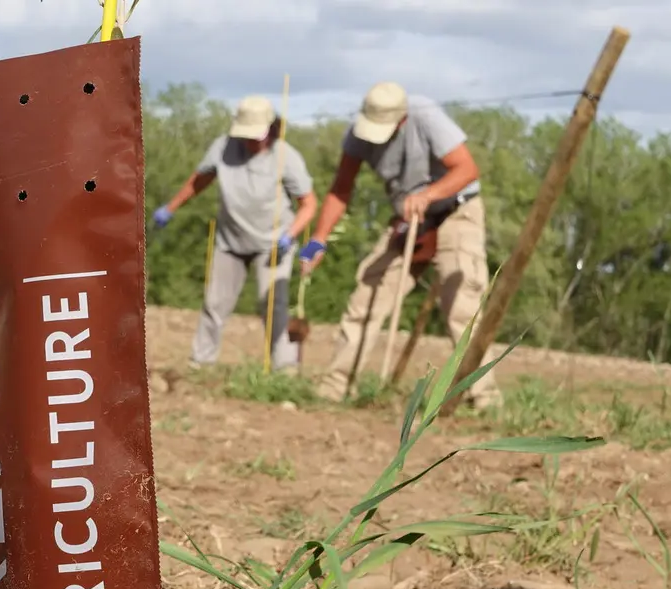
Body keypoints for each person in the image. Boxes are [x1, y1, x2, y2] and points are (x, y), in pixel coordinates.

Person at [298, 81, 502, 408]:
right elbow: (340, 189)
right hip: (408, 218)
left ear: (402, 120)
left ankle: (484, 399)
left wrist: (428, 195)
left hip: (456, 209)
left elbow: (466, 169)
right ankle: (334, 389)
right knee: (368, 294)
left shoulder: (425, 116)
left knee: (461, 305)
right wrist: (317, 241)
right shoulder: (357, 135)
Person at [153, 95, 317, 372]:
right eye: (246, 136)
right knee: (214, 303)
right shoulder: (223, 148)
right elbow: (200, 180)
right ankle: (201, 363)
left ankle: (285, 369)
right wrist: (170, 208)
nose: (251, 142)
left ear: (271, 130)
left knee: (274, 307)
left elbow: (309, 204)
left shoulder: (286, 157)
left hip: (273, 244)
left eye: (256, 136)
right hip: (230, 242)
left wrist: (291, 234)